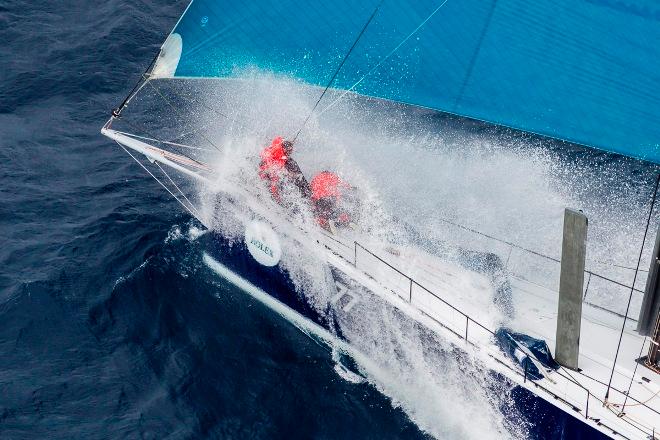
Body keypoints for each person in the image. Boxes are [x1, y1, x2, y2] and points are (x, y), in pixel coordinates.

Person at [259, 137, 311, 203]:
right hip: (269, 175)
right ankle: (306, 193)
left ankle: (306, 191)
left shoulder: (278, 143)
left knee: (295, 169)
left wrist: (290, 142)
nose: (290, 153)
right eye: (289, 151)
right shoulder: (279, 158)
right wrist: (290, 175)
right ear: (284, 149)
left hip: (268, 167)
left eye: (291, 150)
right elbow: (278, 171)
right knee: (296, 175)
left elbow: (279, 139)